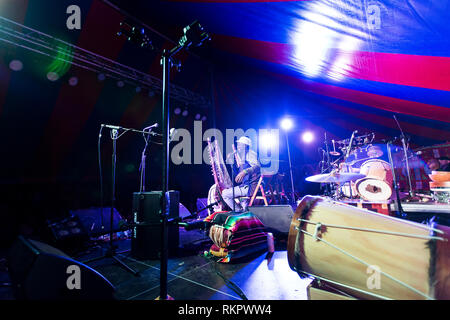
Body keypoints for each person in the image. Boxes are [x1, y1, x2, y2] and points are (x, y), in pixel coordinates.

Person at [221, 136, 261, 212]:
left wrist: (244, 172)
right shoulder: (242, 157)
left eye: (240, 144)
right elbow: (238, 176)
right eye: (238, 144)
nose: (238, 146)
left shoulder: (250, 154)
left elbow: (257, 166)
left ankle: (238, 211)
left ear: (245, 145)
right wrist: (231, 163)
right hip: (246, 186)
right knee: (244, 205)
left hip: (250, 187)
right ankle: (242, 211)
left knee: (225, 194)